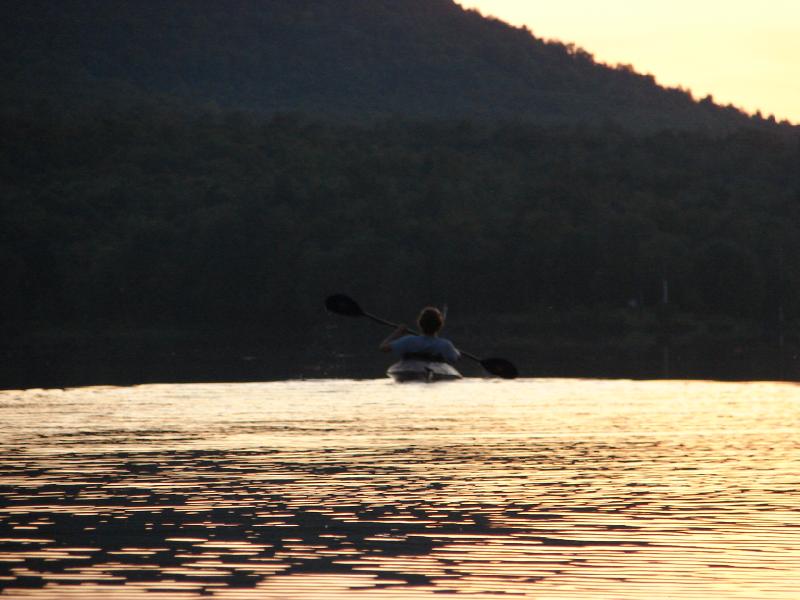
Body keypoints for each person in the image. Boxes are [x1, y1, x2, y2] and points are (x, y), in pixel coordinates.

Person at [379, 306, 460, 363]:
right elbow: (455, 359)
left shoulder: (408, 340)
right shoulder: (445, 344)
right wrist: (456, 351)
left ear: (420, 324)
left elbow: (383, 348)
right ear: (439, 326)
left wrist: (397, 332)